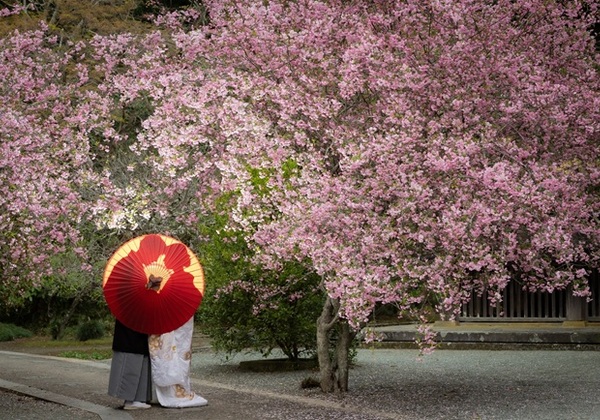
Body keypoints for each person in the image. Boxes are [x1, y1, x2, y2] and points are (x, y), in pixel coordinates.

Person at [149, 316, 208, 408]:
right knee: (178, 350)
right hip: (178, 314)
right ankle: (166, 391)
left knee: (180, 351)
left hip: (172, 316)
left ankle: (174, 390)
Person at [108, 319, 153, 410]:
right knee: (130, 364)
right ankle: (129, 400)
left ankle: (139, 398)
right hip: (128, 333)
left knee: (142, 359)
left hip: (141, 328)